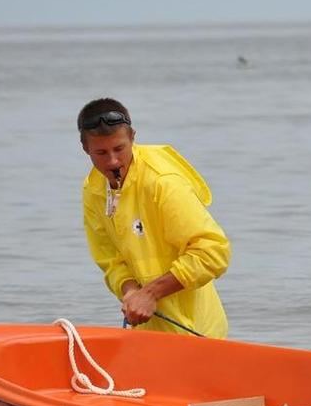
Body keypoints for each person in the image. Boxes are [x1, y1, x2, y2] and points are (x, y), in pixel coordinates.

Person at [78, 98, 231, 339]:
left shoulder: (162, 182)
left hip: (196, 333)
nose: (113, 161)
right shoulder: (94, 190)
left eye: (119, 149)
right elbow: (109, 259)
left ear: (133, 137)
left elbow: (213, 252)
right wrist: (129, 290)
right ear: (85, 149)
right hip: (148, 335)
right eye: (101, 153)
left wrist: (150, 293)